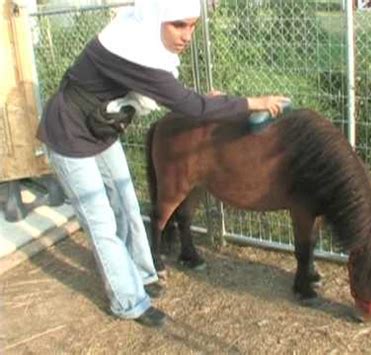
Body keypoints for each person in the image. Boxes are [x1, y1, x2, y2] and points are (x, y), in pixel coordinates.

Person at [36, 0, 289, 328]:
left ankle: (142, 273)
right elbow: (187, 105)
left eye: (193, 26)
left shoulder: (145, 36)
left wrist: (204, 102)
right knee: (101, 223)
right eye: (178, 25)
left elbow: (174, 94)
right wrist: (252, 103)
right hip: (68, 132)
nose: (187, 35)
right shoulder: (129, 45)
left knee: (126, 205)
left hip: (99, 128)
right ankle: (127, 301)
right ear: (158, 17)